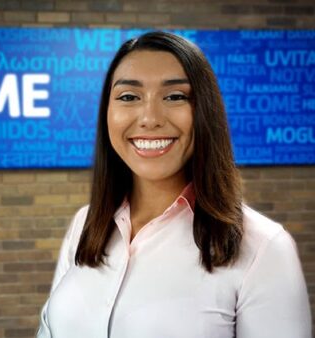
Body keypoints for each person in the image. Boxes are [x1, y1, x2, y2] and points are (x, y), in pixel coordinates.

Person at [36, 31, 311, 338]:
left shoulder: (264, 249)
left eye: (175, 96)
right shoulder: (85, 224)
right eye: (129, 97)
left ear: (205, 112)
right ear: (106, 113)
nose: (150, 118)